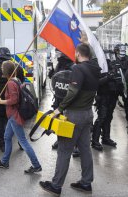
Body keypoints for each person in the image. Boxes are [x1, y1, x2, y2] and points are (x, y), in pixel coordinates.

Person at [40, 42, 101, 195]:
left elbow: (72, 92)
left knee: (64, 150)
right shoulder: (96, 68)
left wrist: (59, 109)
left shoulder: (78, 68)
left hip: (74, 115)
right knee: (85, 149)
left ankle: (56, 186)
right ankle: (86, 183)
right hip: (88, 114)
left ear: (78, 54)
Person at [0, 60, 42, 174]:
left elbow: (14, 100)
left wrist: (0, 101)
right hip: (13, 116)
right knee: (7, 137)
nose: (1, 70)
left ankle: (36, 165)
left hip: (15, 116)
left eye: (2, 69)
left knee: (23, 141)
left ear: (6, 71)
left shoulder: (10, 83)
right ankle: (5, 162)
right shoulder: (16, 80)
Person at [91, 57, 123, 151]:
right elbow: (96, 83)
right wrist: (107, 78)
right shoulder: (98, 68)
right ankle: (95, 141)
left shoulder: (113, 66)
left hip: (112, 97)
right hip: (103, 97)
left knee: (108, 118)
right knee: (101, 118)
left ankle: (106, 138)